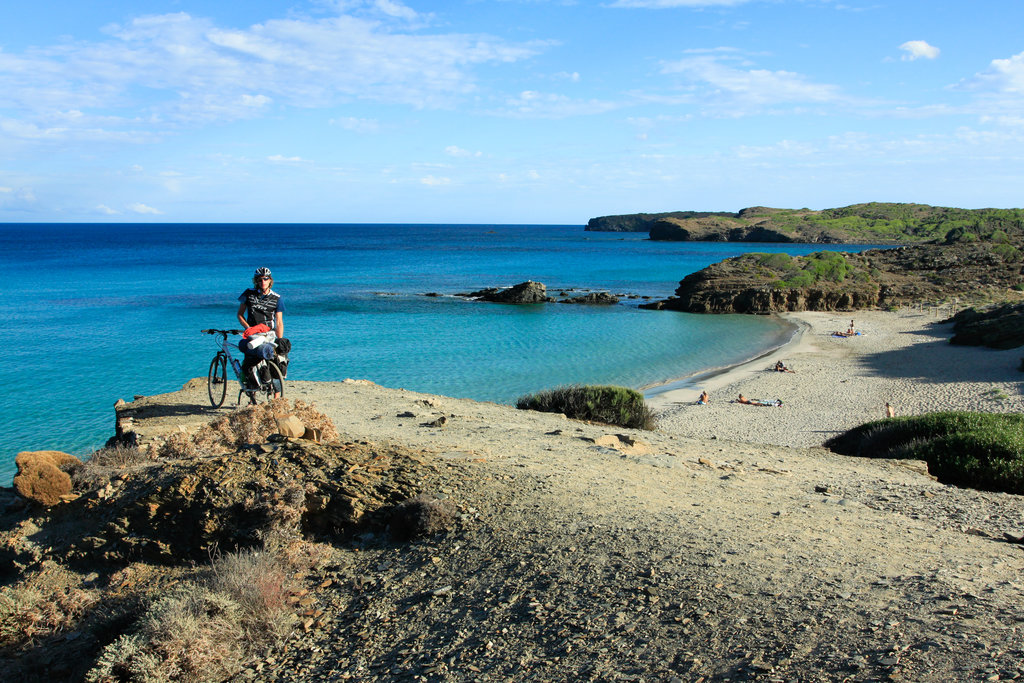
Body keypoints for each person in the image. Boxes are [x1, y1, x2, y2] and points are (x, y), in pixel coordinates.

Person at [237, 267, 286, 396]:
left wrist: (279, 339)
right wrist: (248, 328)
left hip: (269, 334)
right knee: (249, 363)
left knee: (276, 362)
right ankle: (251, 397)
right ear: (256, 281)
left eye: (266, 279)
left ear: (270, 280)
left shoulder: (277, 298)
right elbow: (240, 315)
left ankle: (276, 398)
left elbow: (279, 321)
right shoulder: (248, 294)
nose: (263, 281)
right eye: (260, 279)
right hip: (253, 335)